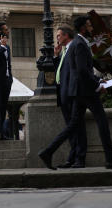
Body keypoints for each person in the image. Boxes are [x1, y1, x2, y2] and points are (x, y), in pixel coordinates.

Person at [54, 16, 112, 171]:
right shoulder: (78, 44)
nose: (91, 28)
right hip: (80, 92)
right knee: (89, 124)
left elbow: (80, 71)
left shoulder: (76, 44)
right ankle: (109, 160)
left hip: (77, 92)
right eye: (88, 25)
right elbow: (80, 71)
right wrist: (97, 85)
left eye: (59, 35)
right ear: (82, 28)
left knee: (75, 125)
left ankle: (52, 151)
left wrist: (96, 81)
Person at [37, 25, 82, 169]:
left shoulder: (73, 47)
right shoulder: (63, 52)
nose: (56, 38)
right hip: (64, 93)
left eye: (59, 35)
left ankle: (77, 158)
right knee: (72, 126)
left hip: (71, 93)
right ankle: (72, 158)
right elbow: (59, 71)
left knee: (75, 126)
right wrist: (56, 56)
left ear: (66, 35)